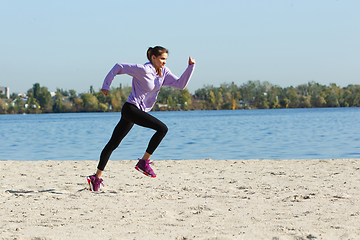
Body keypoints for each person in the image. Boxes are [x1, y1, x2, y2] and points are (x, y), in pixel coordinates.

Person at [87, 46, 196, 191]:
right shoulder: (143, 69)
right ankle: (144, 162)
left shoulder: (164, 72)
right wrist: (106, 85)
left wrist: (191, 67)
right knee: (162, 129)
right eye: (162, 59)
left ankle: (96, 177)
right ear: (153, 58)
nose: (164, 62)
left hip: (137, 111)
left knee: (113, 144)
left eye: (166, 59)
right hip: (131, 109)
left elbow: (180, 84)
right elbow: (119, 66)